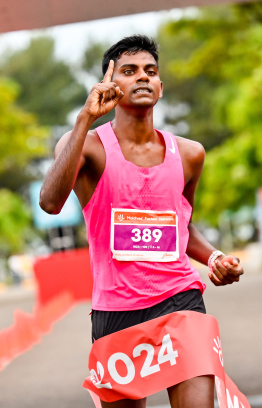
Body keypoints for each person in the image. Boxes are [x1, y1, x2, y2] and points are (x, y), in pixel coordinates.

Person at [40, 35, 244, 408]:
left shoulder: (189, 154)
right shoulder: (85, 145)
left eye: (150, 71)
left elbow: (182, 225)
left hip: (180, 301)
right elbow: (50, 202)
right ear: (110, 84)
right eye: (129, 71)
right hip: (116, 314)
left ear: (161, 87)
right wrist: (86, 117)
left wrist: (214, 258)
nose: (143, 78)